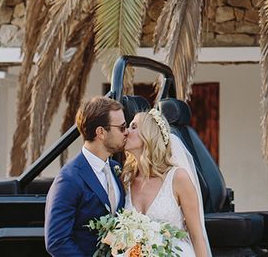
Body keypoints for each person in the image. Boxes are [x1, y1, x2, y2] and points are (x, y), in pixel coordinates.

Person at [45, 96, 128, 256]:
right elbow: (56, 241)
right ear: (101, 132)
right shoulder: (69, 179)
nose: (126, 133)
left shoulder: (115, 168)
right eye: (122, 127)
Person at [123, 109, 210, 257]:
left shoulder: (178, 178)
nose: (125, 131)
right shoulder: (126, 180)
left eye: (133, 127)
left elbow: (197, 236)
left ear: (149, 136)